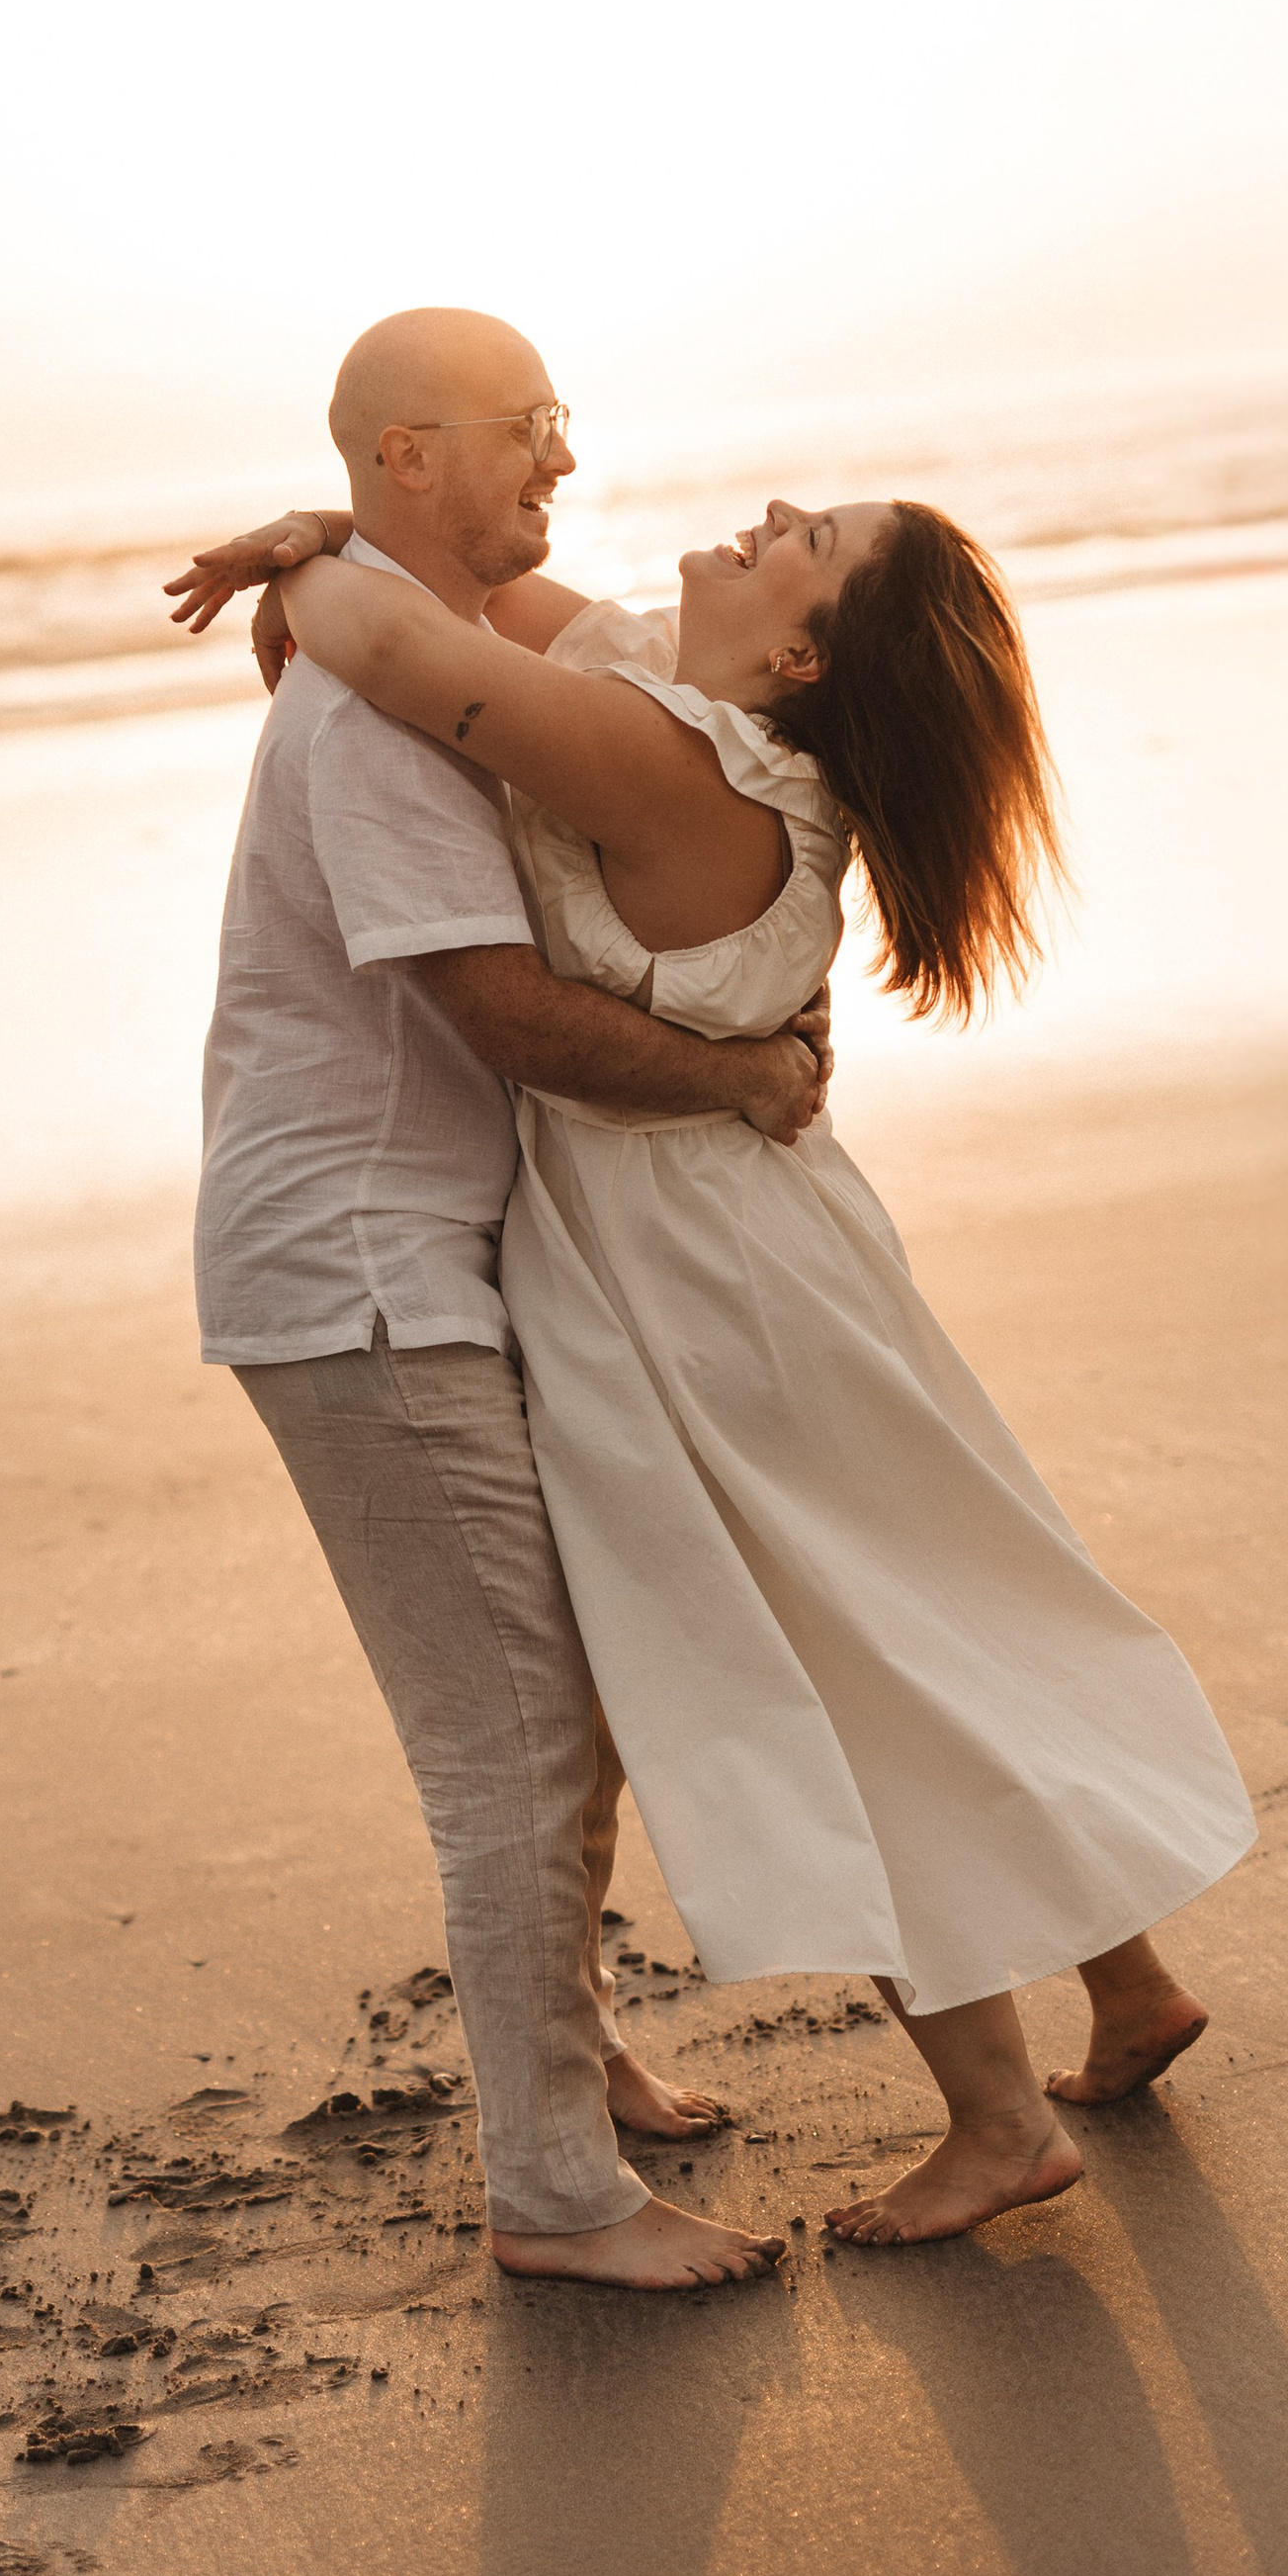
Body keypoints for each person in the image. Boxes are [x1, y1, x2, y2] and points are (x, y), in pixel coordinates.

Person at [178, 340, 1255, 2249]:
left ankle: (997, 2113)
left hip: (689, 1266)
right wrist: (337, 532)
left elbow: (427, 653)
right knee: (907, 1610)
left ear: (808, 656)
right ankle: (1123, 1979)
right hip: (741, 1245)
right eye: (534, 432)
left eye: (807, 540)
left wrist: (321, 563)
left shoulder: (662, 755)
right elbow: (469, 610)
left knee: (841, 1657)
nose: (757, 516)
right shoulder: (655, 704)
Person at [187, 310, 839, 2291]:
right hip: (358, 1274)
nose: (562, 455)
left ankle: (568, 2064)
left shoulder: (422, 642)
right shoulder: (374, 713)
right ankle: (551, 2193)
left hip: (418, 1255)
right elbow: (495, 1010)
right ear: (407, 456)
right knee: (515, 1736)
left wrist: (317, 545)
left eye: (559, 423)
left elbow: (591, 656)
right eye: (521, 430)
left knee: (562, 1692)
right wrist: (739, 1074)